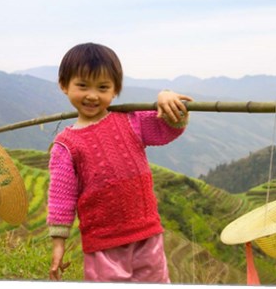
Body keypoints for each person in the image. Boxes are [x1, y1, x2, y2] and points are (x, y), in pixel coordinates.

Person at [47, 42, 193, 283]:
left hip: (147, 235)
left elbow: (168, 128)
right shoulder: (66, 145)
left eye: (102, 87)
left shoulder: (130, 122)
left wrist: (167, 97)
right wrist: (58, 244)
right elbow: (61, 199)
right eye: (82, 85)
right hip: (103, 244)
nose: (92, 95)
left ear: (115, 90)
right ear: (64, 85)